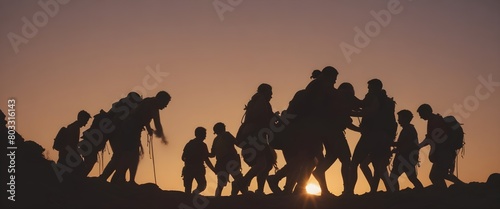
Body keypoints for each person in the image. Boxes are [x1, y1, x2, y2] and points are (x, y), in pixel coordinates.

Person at [105, 91, 170, 184]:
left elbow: (142, 117)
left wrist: (149, 128)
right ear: (160, 99)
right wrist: (162, 137)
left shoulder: (147, 102)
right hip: (129, 132)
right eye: (165, 103)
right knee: (131, 156)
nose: (165, 106)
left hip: (127, 131)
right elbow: (157, 124)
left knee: (126, 156)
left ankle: (120, 179)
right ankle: (125, 180)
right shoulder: (153, 106)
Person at [347, 79, 396, 194]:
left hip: (370, 136)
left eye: (369, 87)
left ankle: (349, 191)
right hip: (383, 137)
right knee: (379, 167)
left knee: (354, 163)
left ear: (374, 87)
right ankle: (387, 191)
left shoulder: (373, 97)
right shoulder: (388, 101)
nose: (368, 89)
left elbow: (367, 109)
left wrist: (350, 109)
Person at [312, 82, 361, 196]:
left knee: (332, 156)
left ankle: (319, 171)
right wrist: (360, 129)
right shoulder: (340, 102)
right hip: (335, 134)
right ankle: (347, 189)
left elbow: (347, 115)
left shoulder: (334, 101)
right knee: (346, 160)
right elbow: (346, 121)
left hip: (327, 134)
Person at [234, 83, 276, 195]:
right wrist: (274, 118)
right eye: (270, 92)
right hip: (255, 136)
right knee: (262, 164)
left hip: (255, 136)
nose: (271, 95)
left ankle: (259, 190)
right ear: (265, 91)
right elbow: (262, 117)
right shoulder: (261, 101)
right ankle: (243, 182)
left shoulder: (256, 101)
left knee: (266, 164)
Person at [417, 104, 463, 189]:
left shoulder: (435, 121)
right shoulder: (434, 120)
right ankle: (460, 187)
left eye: (421, 114)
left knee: (434, 176)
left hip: (444, 152)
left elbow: (432, 138)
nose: (420, 117)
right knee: (441, 174)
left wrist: (419, 146)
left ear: (426, 112)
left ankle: (445, 192)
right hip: (445, 152)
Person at [388, 110, 424, 191]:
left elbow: (402, 144)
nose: (398, 120)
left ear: (406, 119)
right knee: (411, 178)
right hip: (408, 158)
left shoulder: (408, 129)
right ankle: (421, 191)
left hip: (404, 158)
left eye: (400, 118)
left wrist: (389, 144)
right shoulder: (409, 129)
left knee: (393, 178)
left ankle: (396, 194)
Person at [210, 122, 243, 196]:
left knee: (220, 185)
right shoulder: (227, 135)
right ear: (223, 128)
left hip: (221, 163)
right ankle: (245, 195)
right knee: (238, 179)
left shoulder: (215, 140)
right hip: (231, 160)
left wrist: (205, 154)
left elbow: (212, 154)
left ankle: (217, 199)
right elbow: (238, 144)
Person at [56, 110, 91, 182]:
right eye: (86, 121)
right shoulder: (75, 128)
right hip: (66, 154)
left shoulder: (73, 126)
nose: (85, 124)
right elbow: (71, 145)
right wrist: (77, 157)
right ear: (81, 118)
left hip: (65, 154)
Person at [182, 127, 216, 194]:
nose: (205, 136)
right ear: (200, 134)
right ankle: (193, 195)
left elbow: (183, 157)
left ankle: (190, 197)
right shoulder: (202, 145)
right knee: (202, 186)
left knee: (188, 188)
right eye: (204, 134)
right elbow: (207, 159)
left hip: (189, 168)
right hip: (197, 168)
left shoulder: (189, 144)